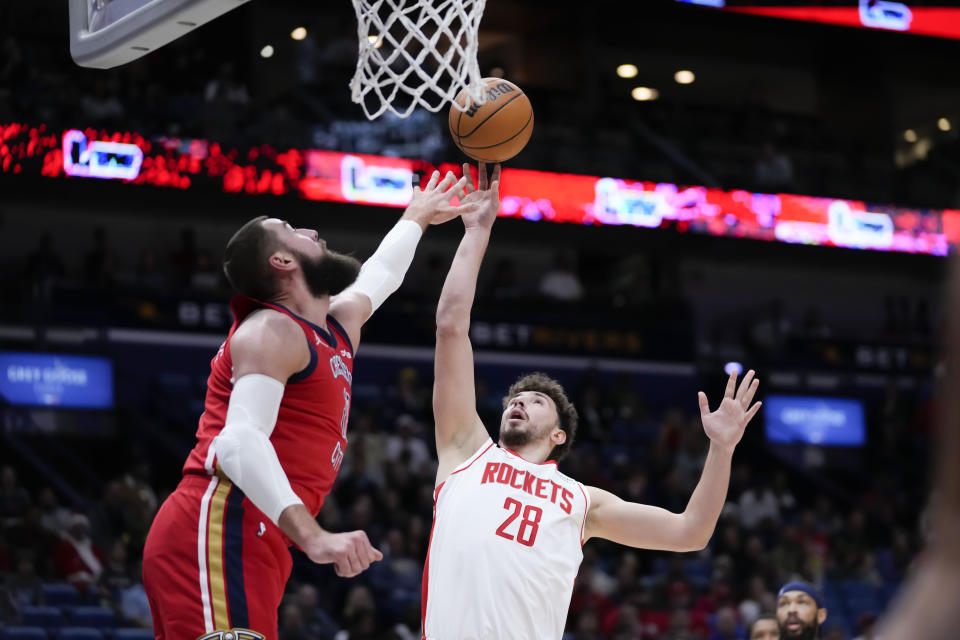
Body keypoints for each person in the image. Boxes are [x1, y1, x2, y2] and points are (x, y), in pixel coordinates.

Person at [421, 162, 763, 639]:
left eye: (535, 401)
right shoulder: (464, 451)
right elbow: (451, 324)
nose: (517, 403)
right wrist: (478, 231)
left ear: (559, 434)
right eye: (514, 399)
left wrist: (722, 449)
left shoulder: (583, 501)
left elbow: (692, 532)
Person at [142, 170, 473, 640]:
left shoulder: (335, 327)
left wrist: (417, 217)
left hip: (254, 539)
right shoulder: (271, 331)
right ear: (281, 260)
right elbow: (237, 442)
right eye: (294, 231)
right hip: (218, 525)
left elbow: (380, 274)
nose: (313, 232)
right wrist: (314, 535)